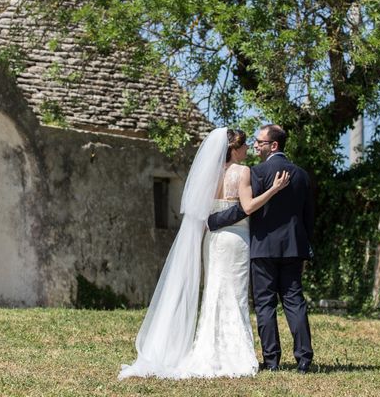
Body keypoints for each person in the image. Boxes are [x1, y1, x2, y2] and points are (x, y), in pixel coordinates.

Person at [118, 128, 289, 379]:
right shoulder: (243, 172)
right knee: (234, 294)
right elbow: (248, 206)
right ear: (235, 148)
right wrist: (274, 189)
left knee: (213, 291)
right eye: (244, 147)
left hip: (212, 239)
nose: (247, 151)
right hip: (235, 240)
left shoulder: (209, 175)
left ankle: (207, 349)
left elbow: (203, 212)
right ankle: (235, 353)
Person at [208, 124, 314, 374]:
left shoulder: (256, 172)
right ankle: (304, 358)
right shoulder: (301, 175)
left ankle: (272, 360)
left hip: (262, 247)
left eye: (260, 142)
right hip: (293, 248)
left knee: (265, 304)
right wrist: (306, 248)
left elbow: (245, 208)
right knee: (294, 301)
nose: (255, 145)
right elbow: (309, 217)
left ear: (273, 145)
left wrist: (215, 220)